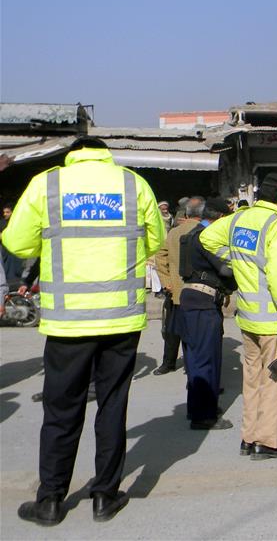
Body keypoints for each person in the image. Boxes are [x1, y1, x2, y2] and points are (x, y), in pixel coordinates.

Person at [2, 136, 165, 525]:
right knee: (112, 405)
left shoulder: (47, 184)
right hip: (120, 318)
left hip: (68, 321)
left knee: (62, 410)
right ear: (105, 153)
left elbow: (16, 242)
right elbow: (154, 241)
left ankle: (51, 501)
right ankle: (105, 497)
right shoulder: (132, 184)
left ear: (72, 154)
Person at [201, 172, 277, 460]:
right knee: (273, 379)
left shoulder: (239, 219)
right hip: (271, 319)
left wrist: (235, 258)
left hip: (246, 316)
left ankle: (249, 436)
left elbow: (207, 237)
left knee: (252, 379)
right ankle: (267, 442)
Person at [174, 197, 236, 430]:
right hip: (202, 301)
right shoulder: (206, 237)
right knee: (205, 359)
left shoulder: (191, 234)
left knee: (195, 357)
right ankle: (203, 416)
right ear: (220, 217)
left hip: (192, 299)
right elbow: (225, 270)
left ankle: (199, 408)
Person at [154, 196, 204, 375]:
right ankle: (196, 369)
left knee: (172, 331)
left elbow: (160, 256)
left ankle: (168, 363)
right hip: (198, 292)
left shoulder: (174, 232)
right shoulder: (205, 232)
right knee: (195, 334)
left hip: (176, 290)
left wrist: (166, 282)